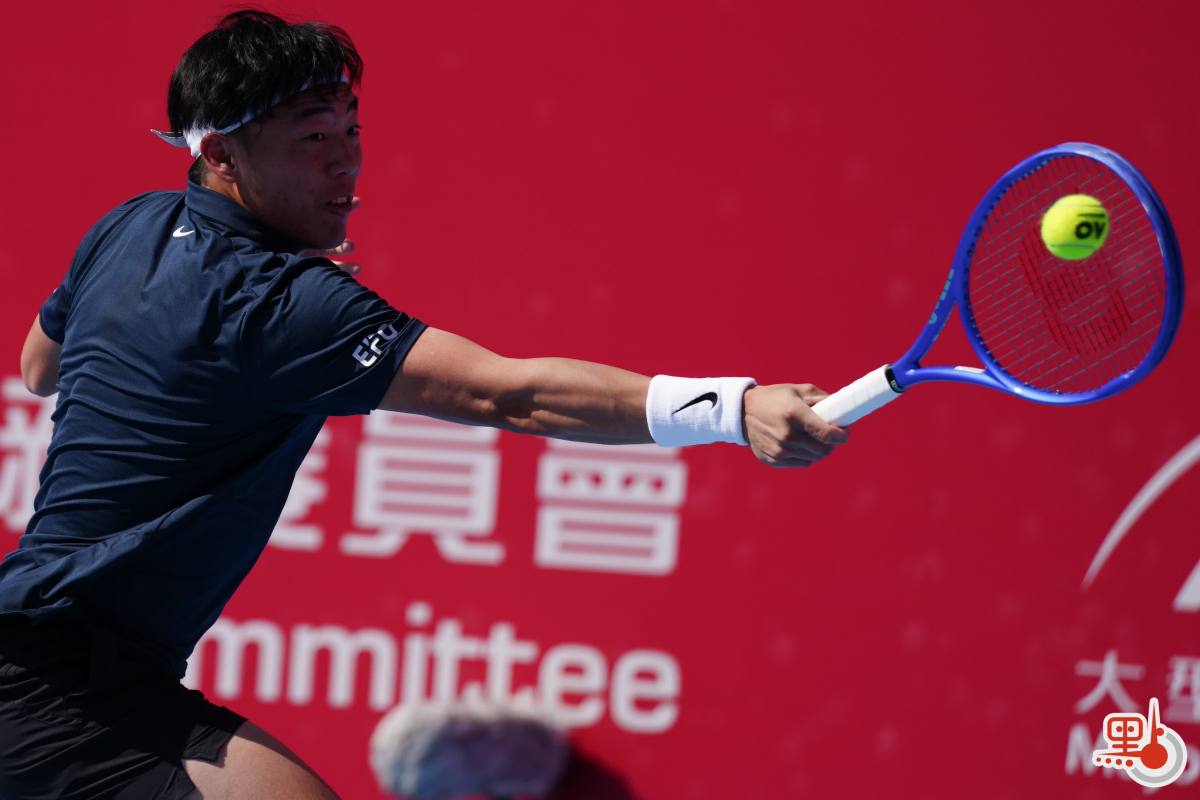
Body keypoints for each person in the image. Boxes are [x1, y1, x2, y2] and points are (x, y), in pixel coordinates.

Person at [5, 9, 848, 799]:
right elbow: (512, 394)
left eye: (351, 131)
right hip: (62, 681)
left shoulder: (131, 226)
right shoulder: (285, 303)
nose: (346, 162)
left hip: (54, 661)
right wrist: (729, 408)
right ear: (222, 155)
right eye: (313, 138)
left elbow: (39, 366)